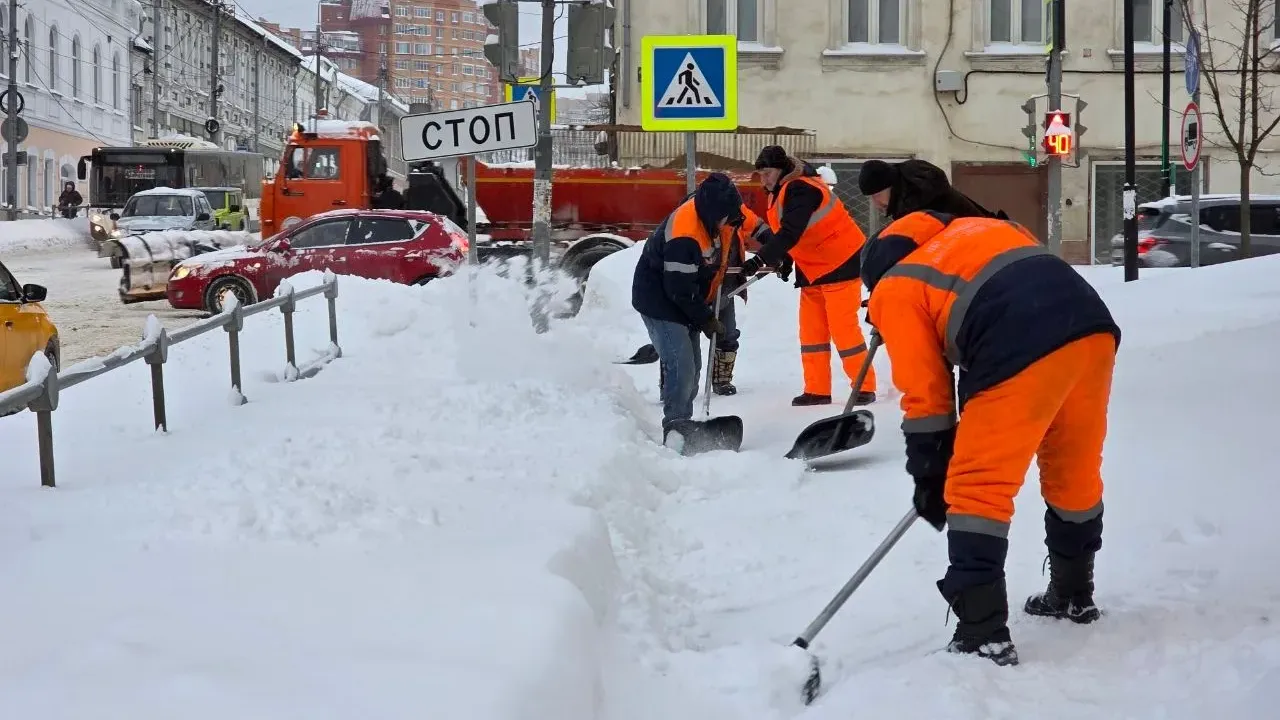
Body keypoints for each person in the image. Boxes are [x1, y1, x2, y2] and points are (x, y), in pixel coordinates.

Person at [859, 210, 1121, 667]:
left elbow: (926, 397)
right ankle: (1074, 594)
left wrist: (931, 473)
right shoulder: (975, 232)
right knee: (1073, 468)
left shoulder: (895, 287)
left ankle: (982, 633)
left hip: (1018, 337)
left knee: (978, 487)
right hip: (1089, 326)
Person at [740, 145, 876, 407]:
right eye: (760, 174)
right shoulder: (781, 190)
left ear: (781, 170)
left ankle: (864, 386)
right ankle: (817, 390)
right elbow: (793, 234)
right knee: (812, 333)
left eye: (767, 173)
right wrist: (786, 260)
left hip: (841, 263)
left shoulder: (802, 189)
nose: (763, 179)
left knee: (843, 330)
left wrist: (761, 259)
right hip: (813, 268)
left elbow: (791, 232)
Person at [632, 172, 749, 442]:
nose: (725, 223)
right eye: (724, 217)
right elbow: (678, 290)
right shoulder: (685, 234)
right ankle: (676, 428)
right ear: (712, 212)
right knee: (681, 364)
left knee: (694, 368)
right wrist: (707, 320)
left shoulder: (711, 217)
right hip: (660, 301)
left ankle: (683, 422)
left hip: (685, 299)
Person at [857, 159, 1006, 222]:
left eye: (877, 195)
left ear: (893, 187)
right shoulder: (917, 197)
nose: (876, 203)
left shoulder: (923, 208)